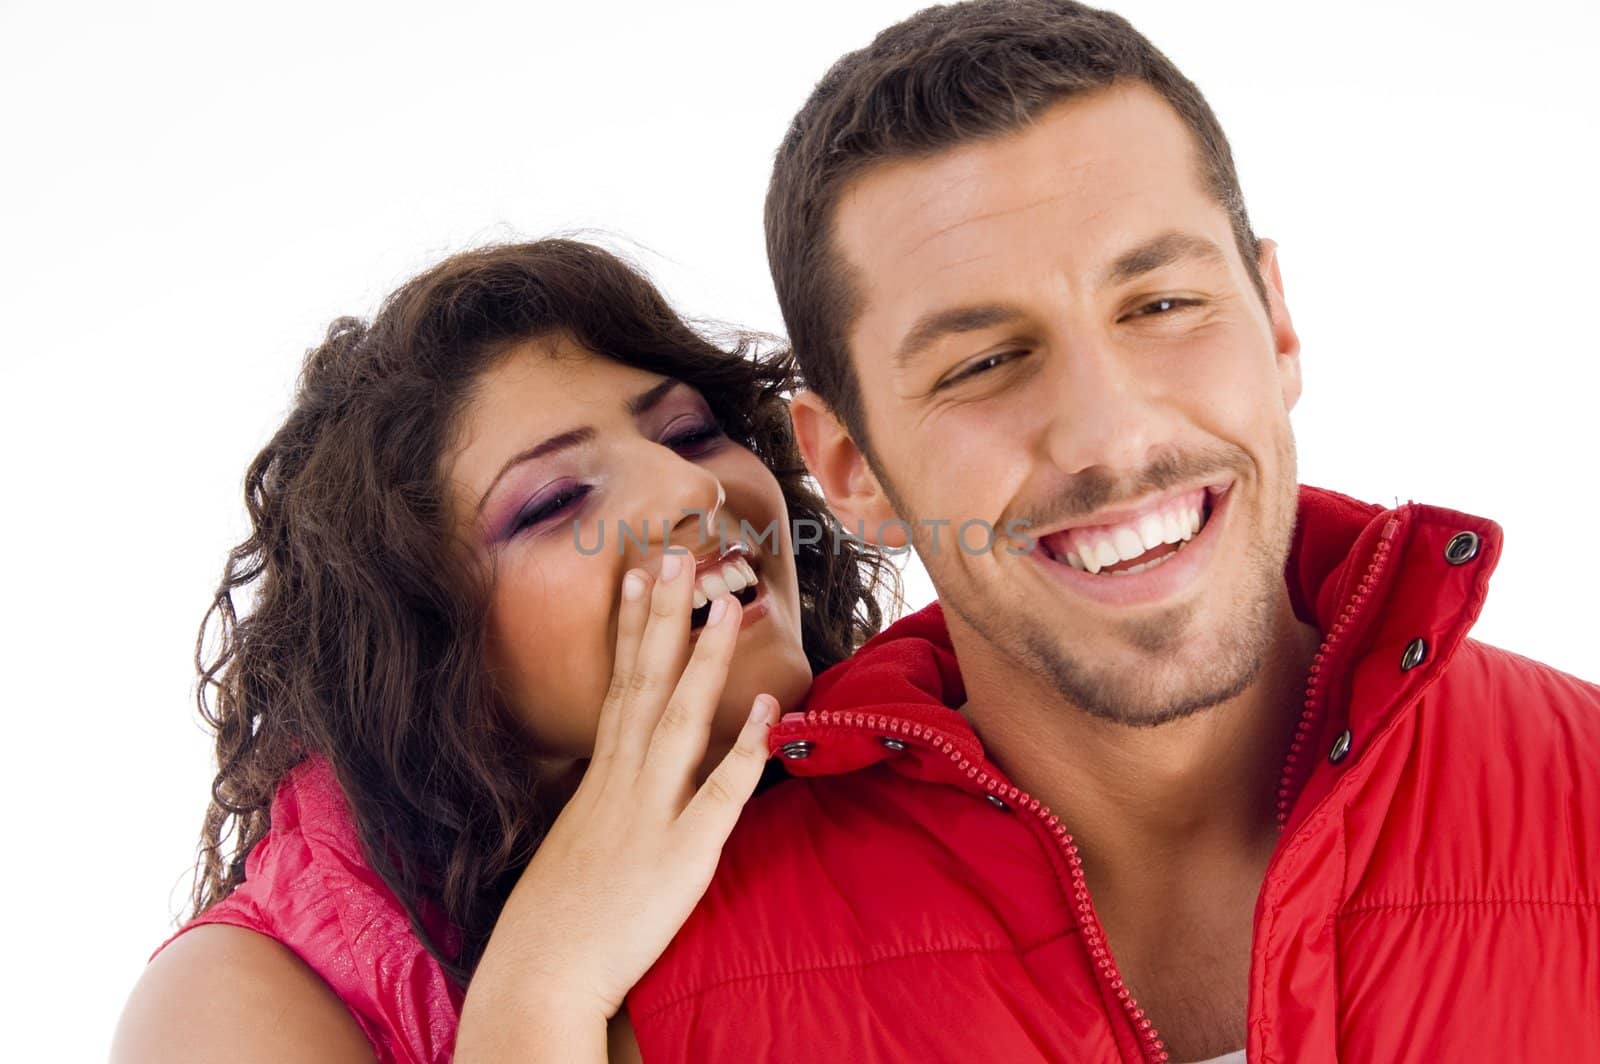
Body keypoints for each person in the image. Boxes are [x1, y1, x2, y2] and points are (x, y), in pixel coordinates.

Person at [626, 2, 1600, 1061]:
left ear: (1274, 321)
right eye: (982, 363)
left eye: (1162, 303)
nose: (1110, 434)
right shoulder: (676, 998)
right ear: (852, 468)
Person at [110, 240, 894, 1063]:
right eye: (556, 501)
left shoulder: (920, 759)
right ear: (424, 642)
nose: (689, 489)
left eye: (690, 433)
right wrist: (543, 984)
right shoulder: (232, 1000)